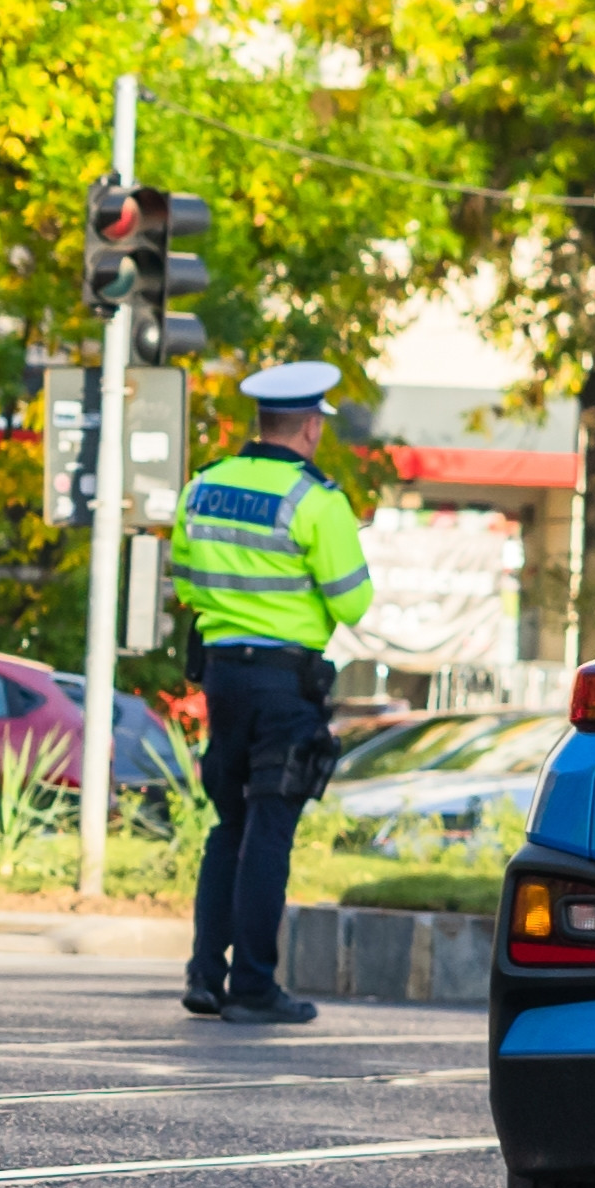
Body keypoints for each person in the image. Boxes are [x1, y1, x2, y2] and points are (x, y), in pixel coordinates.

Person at [173, 357, 376, 1022]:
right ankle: (254, 988)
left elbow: (184, 586)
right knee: (268, 830)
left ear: (259, 423)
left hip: (222, 679)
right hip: (284, 686)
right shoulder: (316, 500)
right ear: (312, 428)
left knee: (227, 825)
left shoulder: (202, 488)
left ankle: (206, 976)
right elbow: (354, 604)